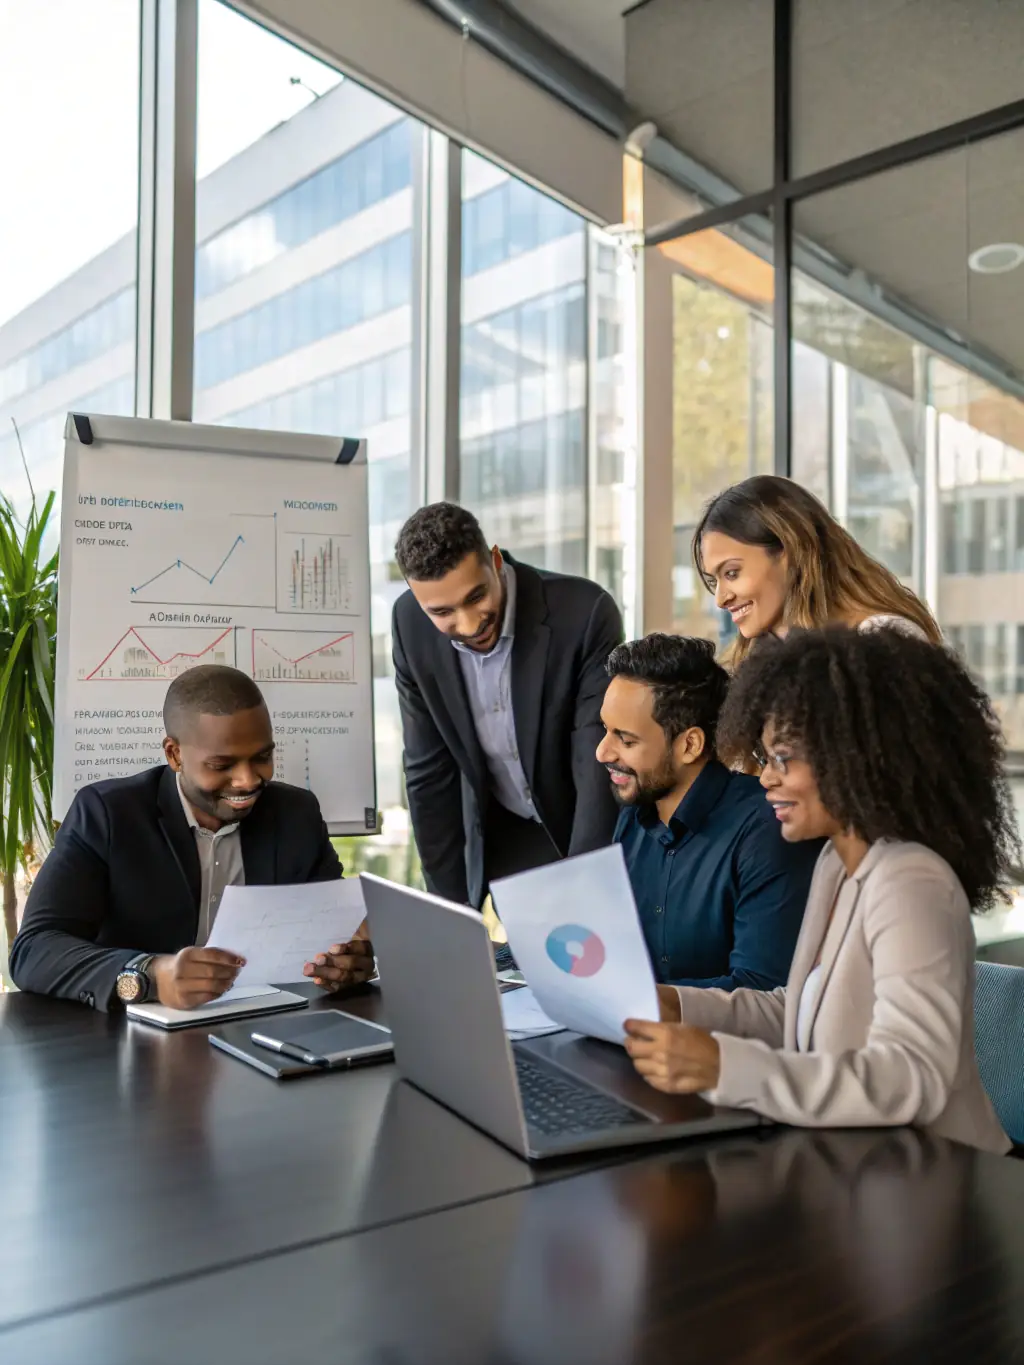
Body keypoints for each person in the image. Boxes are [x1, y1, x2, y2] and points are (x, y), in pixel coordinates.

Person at [623, 627, 1016, 1154]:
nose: (766, 780)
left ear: (856, 758)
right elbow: (803, 1012)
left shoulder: (911, 883)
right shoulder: (838, 862)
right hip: (857, 1168)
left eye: (784, 759)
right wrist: (676, 1005)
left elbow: (912, 1078)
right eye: (765, 760)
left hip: (934, 1184)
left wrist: (726, 1066)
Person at [10, 665, 374, 1011]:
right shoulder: (107, 814)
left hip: (266, 1025)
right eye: (222, 765)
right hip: (130, 1047)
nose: (248, 780)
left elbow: (332, 933)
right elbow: (34, 950)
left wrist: (348, 961)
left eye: (262, 757)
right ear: (174, 754)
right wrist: (150, 975)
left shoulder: (296, 813)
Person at [391, 502, 623, 909]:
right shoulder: (409, 626)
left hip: (584, 825)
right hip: (509, 839)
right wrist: (448, 912)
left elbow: (598, 762)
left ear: (495, 561)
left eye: (476, 596)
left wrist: (588, 889)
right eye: (442, 612)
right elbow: (429, 773)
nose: (468, 624)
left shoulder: (583, 613)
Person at [597, 633, 820, 989]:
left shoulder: (768, 829)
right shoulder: (633, 819)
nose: (602, 752)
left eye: (626, 739)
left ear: (689, 745)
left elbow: (761, 990)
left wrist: (643, 1002)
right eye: (606, 730)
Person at [693, 474, 941, 662]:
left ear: (789, 552)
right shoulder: (766, 656)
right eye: (715, 581)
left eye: (732, 573)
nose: (721, 599)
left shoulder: (884, 641)